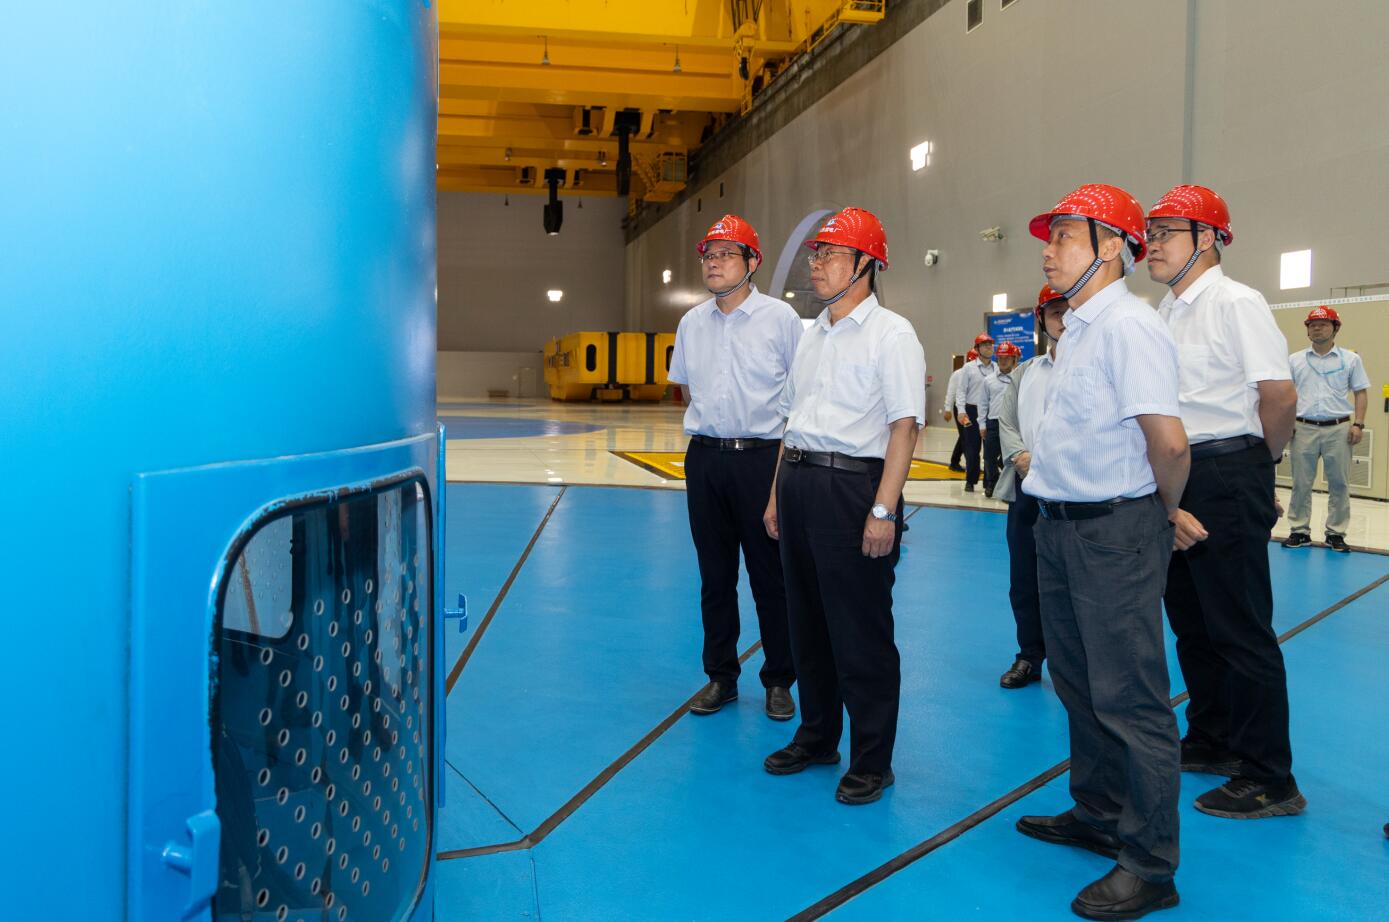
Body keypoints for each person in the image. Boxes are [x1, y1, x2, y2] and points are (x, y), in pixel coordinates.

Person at [1013, 184, 1188, 921]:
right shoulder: (1079, 329)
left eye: (1064, 236)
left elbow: (1168, 444)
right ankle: (1099, 812)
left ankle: (1149, 862)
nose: (1048, 250)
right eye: (1048, 237)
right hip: (1058, 527)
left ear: (1112, 247)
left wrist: (1160, 516)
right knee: (1078, 682)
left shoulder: (1129, 327)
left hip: (1113, 532)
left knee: (1130, 697)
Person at [1147, 184, 1305, 819]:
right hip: (1179, 473)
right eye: (1150, 233)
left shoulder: (1236, 302)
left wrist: (1257, 468)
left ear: (1207, 239)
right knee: (1192, 622)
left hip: (1227, 468)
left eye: (1167, 232)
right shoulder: (1164, 311)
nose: (1152, 244)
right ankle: (1214, 737)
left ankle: (1270, 776)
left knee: (1240, 627)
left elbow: (1280, 396)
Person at [761, 207, 925, 806]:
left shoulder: (892, 334)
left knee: (860, 631)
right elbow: (791, 422)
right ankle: (817, 735)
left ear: (865, 265)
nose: (817, 264)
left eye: (830, 254)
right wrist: (777, 495)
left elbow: (904, 427)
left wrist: (883, 511)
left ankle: (872, 759)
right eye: (816, 253)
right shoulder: (812, 335)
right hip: (800, 484)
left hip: (853, 488)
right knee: (807, 623)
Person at [668, 214, 803, 721]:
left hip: (762, 460)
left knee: (771, 577)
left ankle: (779, 679)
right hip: (705, 459)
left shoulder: (781, 319)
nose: (714, 262)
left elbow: (799, 396)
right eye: (709, 255)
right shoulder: (691, 323)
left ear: (752, 263)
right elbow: (687, 388)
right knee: (715, 576)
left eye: (726, 254)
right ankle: (721, 677)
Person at [994, 287, 1067, 688]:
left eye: (1070, 310)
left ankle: (1075, 661)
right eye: (1055, 312)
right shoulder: (1027, 372)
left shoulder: (1094, 365)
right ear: (1041, 319)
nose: (1063, 320)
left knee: (1073, 582)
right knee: (1024, 579)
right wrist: (1020, 456)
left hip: (1074, 492)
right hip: (1028, 490)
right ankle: (1029, 655)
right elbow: (1007, 421)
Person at [1283, 305, 1371, 552]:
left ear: (1335, 328)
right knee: (1301, 483)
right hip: (1302, 428)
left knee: (1339, 483)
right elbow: (1286, 395)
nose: (1317, 329)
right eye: (1312, 325)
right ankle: (1299, 531)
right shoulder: (1295, 360)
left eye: (1323, 324)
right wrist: (1287, 424)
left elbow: (1361, 392)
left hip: (1338, 429)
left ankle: (1336, 533)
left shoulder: (1350, 360)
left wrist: (1358, 424)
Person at [979, 341, 1021, 498]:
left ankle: (1008, 488)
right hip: (993, 423)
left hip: (1012, 424)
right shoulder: (988, 380)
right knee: (989, 457)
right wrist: (982, 425)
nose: (1003, 361)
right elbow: (983, 404)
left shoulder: (1019, 378)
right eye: (1001, 358)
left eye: (1007, 358)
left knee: (1010, 458)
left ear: (1014, 359)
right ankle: (992, 483)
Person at [955, 334, 996, 492]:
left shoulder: (996, 368)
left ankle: (989, 482)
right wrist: (961, 411)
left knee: (990, 449)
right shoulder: (968, 368)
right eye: (985, 345)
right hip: (971, 412)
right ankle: (970, 481)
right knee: (972, 448)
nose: (989, 347)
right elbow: (961, 391)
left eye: (990, 344)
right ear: (977, 349)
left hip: (990, 412)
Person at [942, 352, 975, 472]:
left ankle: (956, 461)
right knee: (965, 435)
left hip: (973, 409)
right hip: (961, 409)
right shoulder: (958, 374)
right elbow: (951, 392)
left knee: (966, 435)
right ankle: (967, 464)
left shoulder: (980, 373)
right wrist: (947, 409)